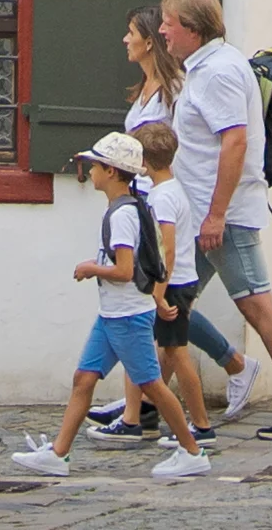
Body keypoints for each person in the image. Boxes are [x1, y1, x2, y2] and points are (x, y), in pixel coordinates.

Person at [157, 0, 272, 441]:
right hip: (200, 216)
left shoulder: (218, 72)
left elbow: (235, 141)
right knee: (170, 303)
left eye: (169, 23)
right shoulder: (208, 66)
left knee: (256, 303)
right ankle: (147, 405)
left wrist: (216, 215)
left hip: (222, 218)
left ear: (193, 30)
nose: (162, 31)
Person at [84, 7, 260, 433]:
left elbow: (180, 146)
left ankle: (219, 378)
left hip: (161, 206)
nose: (125, 41)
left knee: (162, 305)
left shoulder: (175, 90)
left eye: (131, 33)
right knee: (163, 308)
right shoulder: (145, 87)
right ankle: (142, 405)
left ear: (147, 41)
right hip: (141, 203)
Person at [10, 132, 211, 478]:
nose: (90, 170)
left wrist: (91, 268)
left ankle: (192, 451)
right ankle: (58, 454)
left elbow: (124, 270)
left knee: (152, 385)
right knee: (84, 378)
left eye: (96, 165)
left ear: (113, 172)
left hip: (128, 316)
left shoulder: (122, 216)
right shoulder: (131, 207)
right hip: (112, 315)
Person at [80, 123, 218, 448]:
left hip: (173, 284)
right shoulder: (169, 191)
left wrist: (157, 292)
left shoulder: (163, 198)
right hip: (177, 282)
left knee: (176, 355)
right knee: (158, 354)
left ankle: (198, 425)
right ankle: (138, 416)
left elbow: (165, 248)